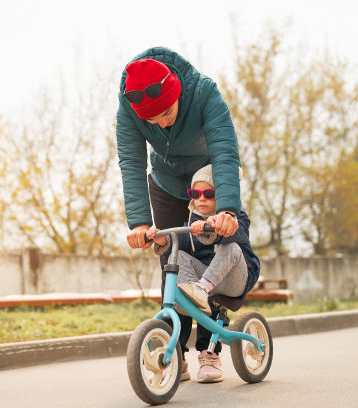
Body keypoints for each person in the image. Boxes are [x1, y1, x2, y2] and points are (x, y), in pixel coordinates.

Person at [116, 47, 243, 381]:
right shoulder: (128, 106)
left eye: (166, 113)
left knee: (211, 260)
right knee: (172, 261)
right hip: (166, 185)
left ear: (177, 92)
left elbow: (225, 151)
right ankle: (177, 355)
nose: (161, 123)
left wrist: (227, 208)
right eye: (152, 120)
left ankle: (210, 348)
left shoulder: (204, 92)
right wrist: (139, 222)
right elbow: (131, 160)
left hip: (207, 183)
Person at [146, 164, 260, 382]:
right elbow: (181, 245)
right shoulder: (191, 221)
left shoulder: (235, 216)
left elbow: (239, 237)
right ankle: (176, 354)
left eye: (209, 193)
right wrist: (163, 240)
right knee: (177, 258)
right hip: (206, 281)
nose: (201, 199)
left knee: (231, 247)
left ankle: (210, 354)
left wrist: (216, 227)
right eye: (195, 194)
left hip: (235, 276)